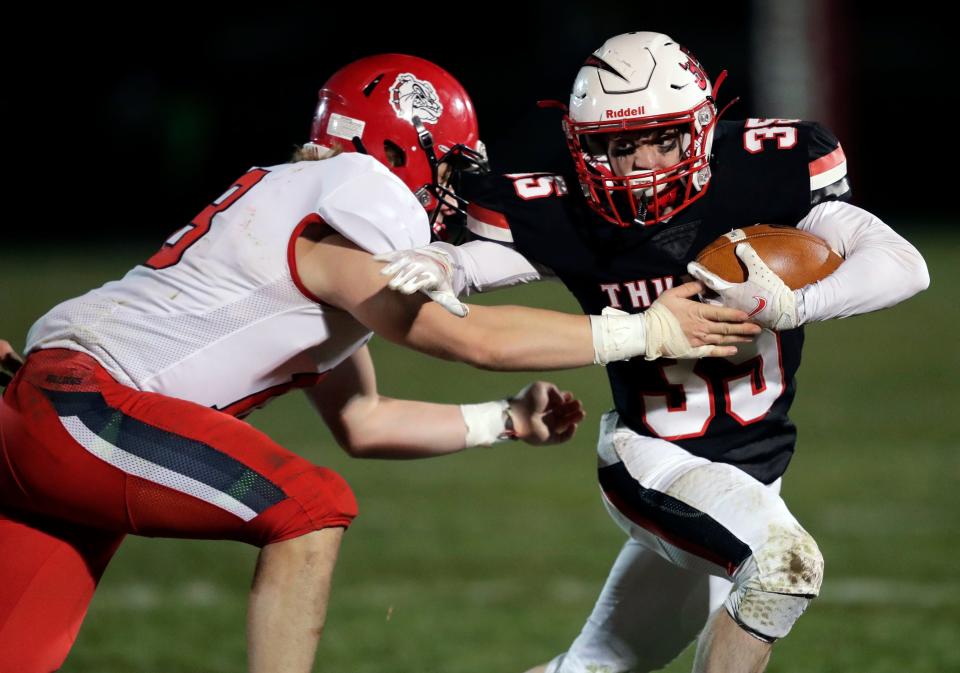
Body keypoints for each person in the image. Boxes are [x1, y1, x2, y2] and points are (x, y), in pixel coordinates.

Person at [0, 53, 759, 673]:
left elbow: (364, 420)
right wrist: (643, 330)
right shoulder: (351, 195)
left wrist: (504, 420)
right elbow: (470, 339)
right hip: (81, 406)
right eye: (449, 166)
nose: (451, 191)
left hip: (55, 416)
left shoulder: (302, 234)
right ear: (402, 147)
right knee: (308, 508)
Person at [375, 33, 930, 673]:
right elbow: (470, 266)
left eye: (661, 138)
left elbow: (902, 265)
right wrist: (440, 257)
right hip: (653, 458)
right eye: (618, 144)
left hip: (752, 469)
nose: (641, 163)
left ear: (698, 129)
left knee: (599, 665)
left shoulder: (767, 175)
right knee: (782, 565)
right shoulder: (571, 213)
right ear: (583, 147)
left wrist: (795, 306)